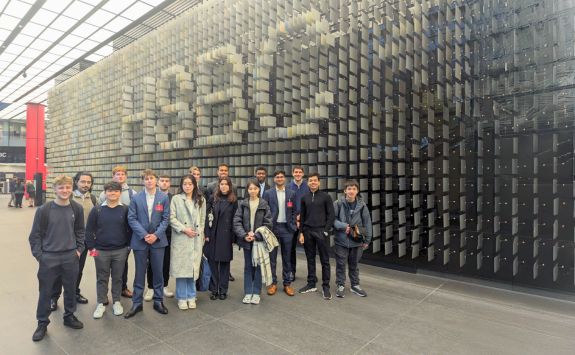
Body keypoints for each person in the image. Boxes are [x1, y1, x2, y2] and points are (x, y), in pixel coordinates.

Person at [28, 175, 85, 342]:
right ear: (55, 190)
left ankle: (69, 316)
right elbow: (35, 236)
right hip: (49, 258)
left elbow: (81, 230)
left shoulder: (77, 208)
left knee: (70, 289)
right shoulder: (44, 210)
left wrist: (79, 249)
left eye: (67, 187)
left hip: (70, 256)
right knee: (45, 291)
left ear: (71, 188)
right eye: (61, 188)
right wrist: (40, 256)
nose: (65, 190)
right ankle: (42, 323)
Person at [125, 169, 171, 318]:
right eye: (146, 179)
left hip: (158, 241)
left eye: (151, 178)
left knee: (158, 272)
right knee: (139, 273)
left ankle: (158, 301)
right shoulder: (136, 198)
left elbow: (165, 219)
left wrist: (156, 235)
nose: (149, 181)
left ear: (156, 180)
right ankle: (137, 303)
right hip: (140, 241)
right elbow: (131, 218)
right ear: (143, 181)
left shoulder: (163, 197)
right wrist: (145, 235)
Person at [51, 172, 96, 311]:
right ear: (76, 182)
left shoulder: (93, 198)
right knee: (60, 271)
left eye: (88, 182)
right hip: (67, 242)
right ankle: (54, 298)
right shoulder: (68, 196)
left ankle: (74, 293)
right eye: (83, 181)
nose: (86, 184)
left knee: (78, 270)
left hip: (84, 241)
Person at [86, 181, 131, 318]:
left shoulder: (125, 209)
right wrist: (91, 248)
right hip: (100, 251)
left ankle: (117, 301)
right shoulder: (97, 209)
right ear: (105, 193)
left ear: (120, 193)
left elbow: (130, 229)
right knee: (102, 277)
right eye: (110, 191)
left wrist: (128, 247)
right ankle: (101, 303)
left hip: (120, 250)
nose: (113, 193)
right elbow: (89, 230)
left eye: (116, 191)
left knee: (118, 277)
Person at [233, 179, 273, 305]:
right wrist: (244, 235)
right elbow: (237, 221)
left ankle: (256, 292)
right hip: (246, 240)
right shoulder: (243, 204)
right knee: (248, 267)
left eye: (255, 188)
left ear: (259, 190)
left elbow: (268, 223)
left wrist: (256, 235)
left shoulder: (264, 204)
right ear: (247, 190)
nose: (252, 191)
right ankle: (248, 292)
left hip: (259, 241)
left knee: (258, 266)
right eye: (250, 189)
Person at [169, 175, 206, 310]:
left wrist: (199, 232)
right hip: (181, 238)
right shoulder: (176, 199)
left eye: (190, 184)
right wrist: (184, 229)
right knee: (181, 269)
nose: (187, 186)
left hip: (195, 238)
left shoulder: (201, 199)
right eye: (185, 184)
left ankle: (191, 295)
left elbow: (202, 220)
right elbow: (171, 218)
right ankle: (182, 297)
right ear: (181, 185)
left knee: (192, 269)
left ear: (194, 185)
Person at [99, 165, 137, 299]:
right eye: (117, 174)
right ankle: (103, 293)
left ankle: (123, 288)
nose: (120, 176)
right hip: (107, 235)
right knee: (104, 268)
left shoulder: (132, 193)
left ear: (126, 176)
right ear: (113, 176)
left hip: (125, 235)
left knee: (122, 264)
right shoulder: (104, 194)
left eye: (122, 174)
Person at [333, 179, 373, 298]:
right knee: (341, 264)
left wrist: (367, 240)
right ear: (345, 191)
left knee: (354, 264)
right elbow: (332, 220)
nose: (351, 191)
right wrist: (343, 226)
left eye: (354, 189)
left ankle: (355, 285)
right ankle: (340, 284)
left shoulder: (362, 206)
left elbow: (368, 223)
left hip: (357, 240)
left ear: (357, 191)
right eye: (349, 189)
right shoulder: (338, 203)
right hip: (341, 240)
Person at [298, 172, 335, 300]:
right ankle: (311, 283)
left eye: (315, 180)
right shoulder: (304, 198)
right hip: (308, 231)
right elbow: (302, 216)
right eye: (310, 181)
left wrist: (325, 231)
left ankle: (326, 286)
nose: (313, 182)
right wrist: (301, 232)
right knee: (310, 258)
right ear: (307, 183)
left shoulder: (326, 197)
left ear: (319, 182)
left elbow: (331, 215)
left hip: (321, 232)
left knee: (325, 260)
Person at [263, 170, 297, 296]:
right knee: (272, 258)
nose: (279, 178)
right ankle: (273, 283)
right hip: (273, 228)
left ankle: (287, 284)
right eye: (277, 177)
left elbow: (294, 210)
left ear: (285, 179)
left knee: (287, 258)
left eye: (282, 177)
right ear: (274, 179)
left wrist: (293, 225)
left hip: (287, 229)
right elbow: (264, 211)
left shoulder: (291, 193)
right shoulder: (268, 193)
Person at [204, 176, 238, 300]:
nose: (224, 186)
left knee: (224, 265)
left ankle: (223, 289)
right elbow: (206, 218)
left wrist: (234, 238)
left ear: (230, 186)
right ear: (218, 186)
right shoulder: (213, 199)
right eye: (221, 184)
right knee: (212, 263)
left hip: (226, 236)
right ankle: (214, 289)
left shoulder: (233, 200)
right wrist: (206, 234)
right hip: (212, 236)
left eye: (226, 184)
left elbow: (236, 220)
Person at [144, 175, 174, 301]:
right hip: (152, 234)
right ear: (158, 182)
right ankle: (151, 287)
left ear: (170, 183)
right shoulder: (153, 196)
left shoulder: (173, 198)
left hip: (167, 234)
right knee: (151, 262)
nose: (164, 183)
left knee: (166, 261)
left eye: (167, 181)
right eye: (162, 181)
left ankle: (164, 285)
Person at [287, 166, 310, 280]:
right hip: (292, 222)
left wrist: (302, 217)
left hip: (306, 222)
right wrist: (295, 218)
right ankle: (292, 271)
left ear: (303, 174)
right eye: (296, 172)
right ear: (292, 174)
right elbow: (287, 205)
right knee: (291, 249)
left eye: (300, 172)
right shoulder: (288, 187)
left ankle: (311, 274)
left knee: (309, 248)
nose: (298, 174)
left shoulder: (308, 186)